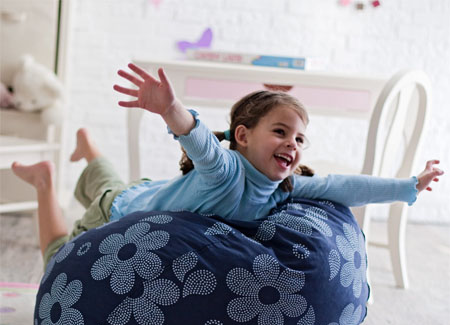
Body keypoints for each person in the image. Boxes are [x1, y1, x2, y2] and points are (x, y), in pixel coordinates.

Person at [11, 63, 444, 269]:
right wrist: (171, 109)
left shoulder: (285, 186)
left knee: (112, 182)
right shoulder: (226, 170)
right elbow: (198, 139)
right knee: (57, 260)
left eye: (299, 139)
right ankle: (45, 182)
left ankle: (88, 148)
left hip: (143, 193)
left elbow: (343, 187)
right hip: (118, 215)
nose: (291, 144)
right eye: (280, 132)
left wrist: (407, 186)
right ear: (242, 136)